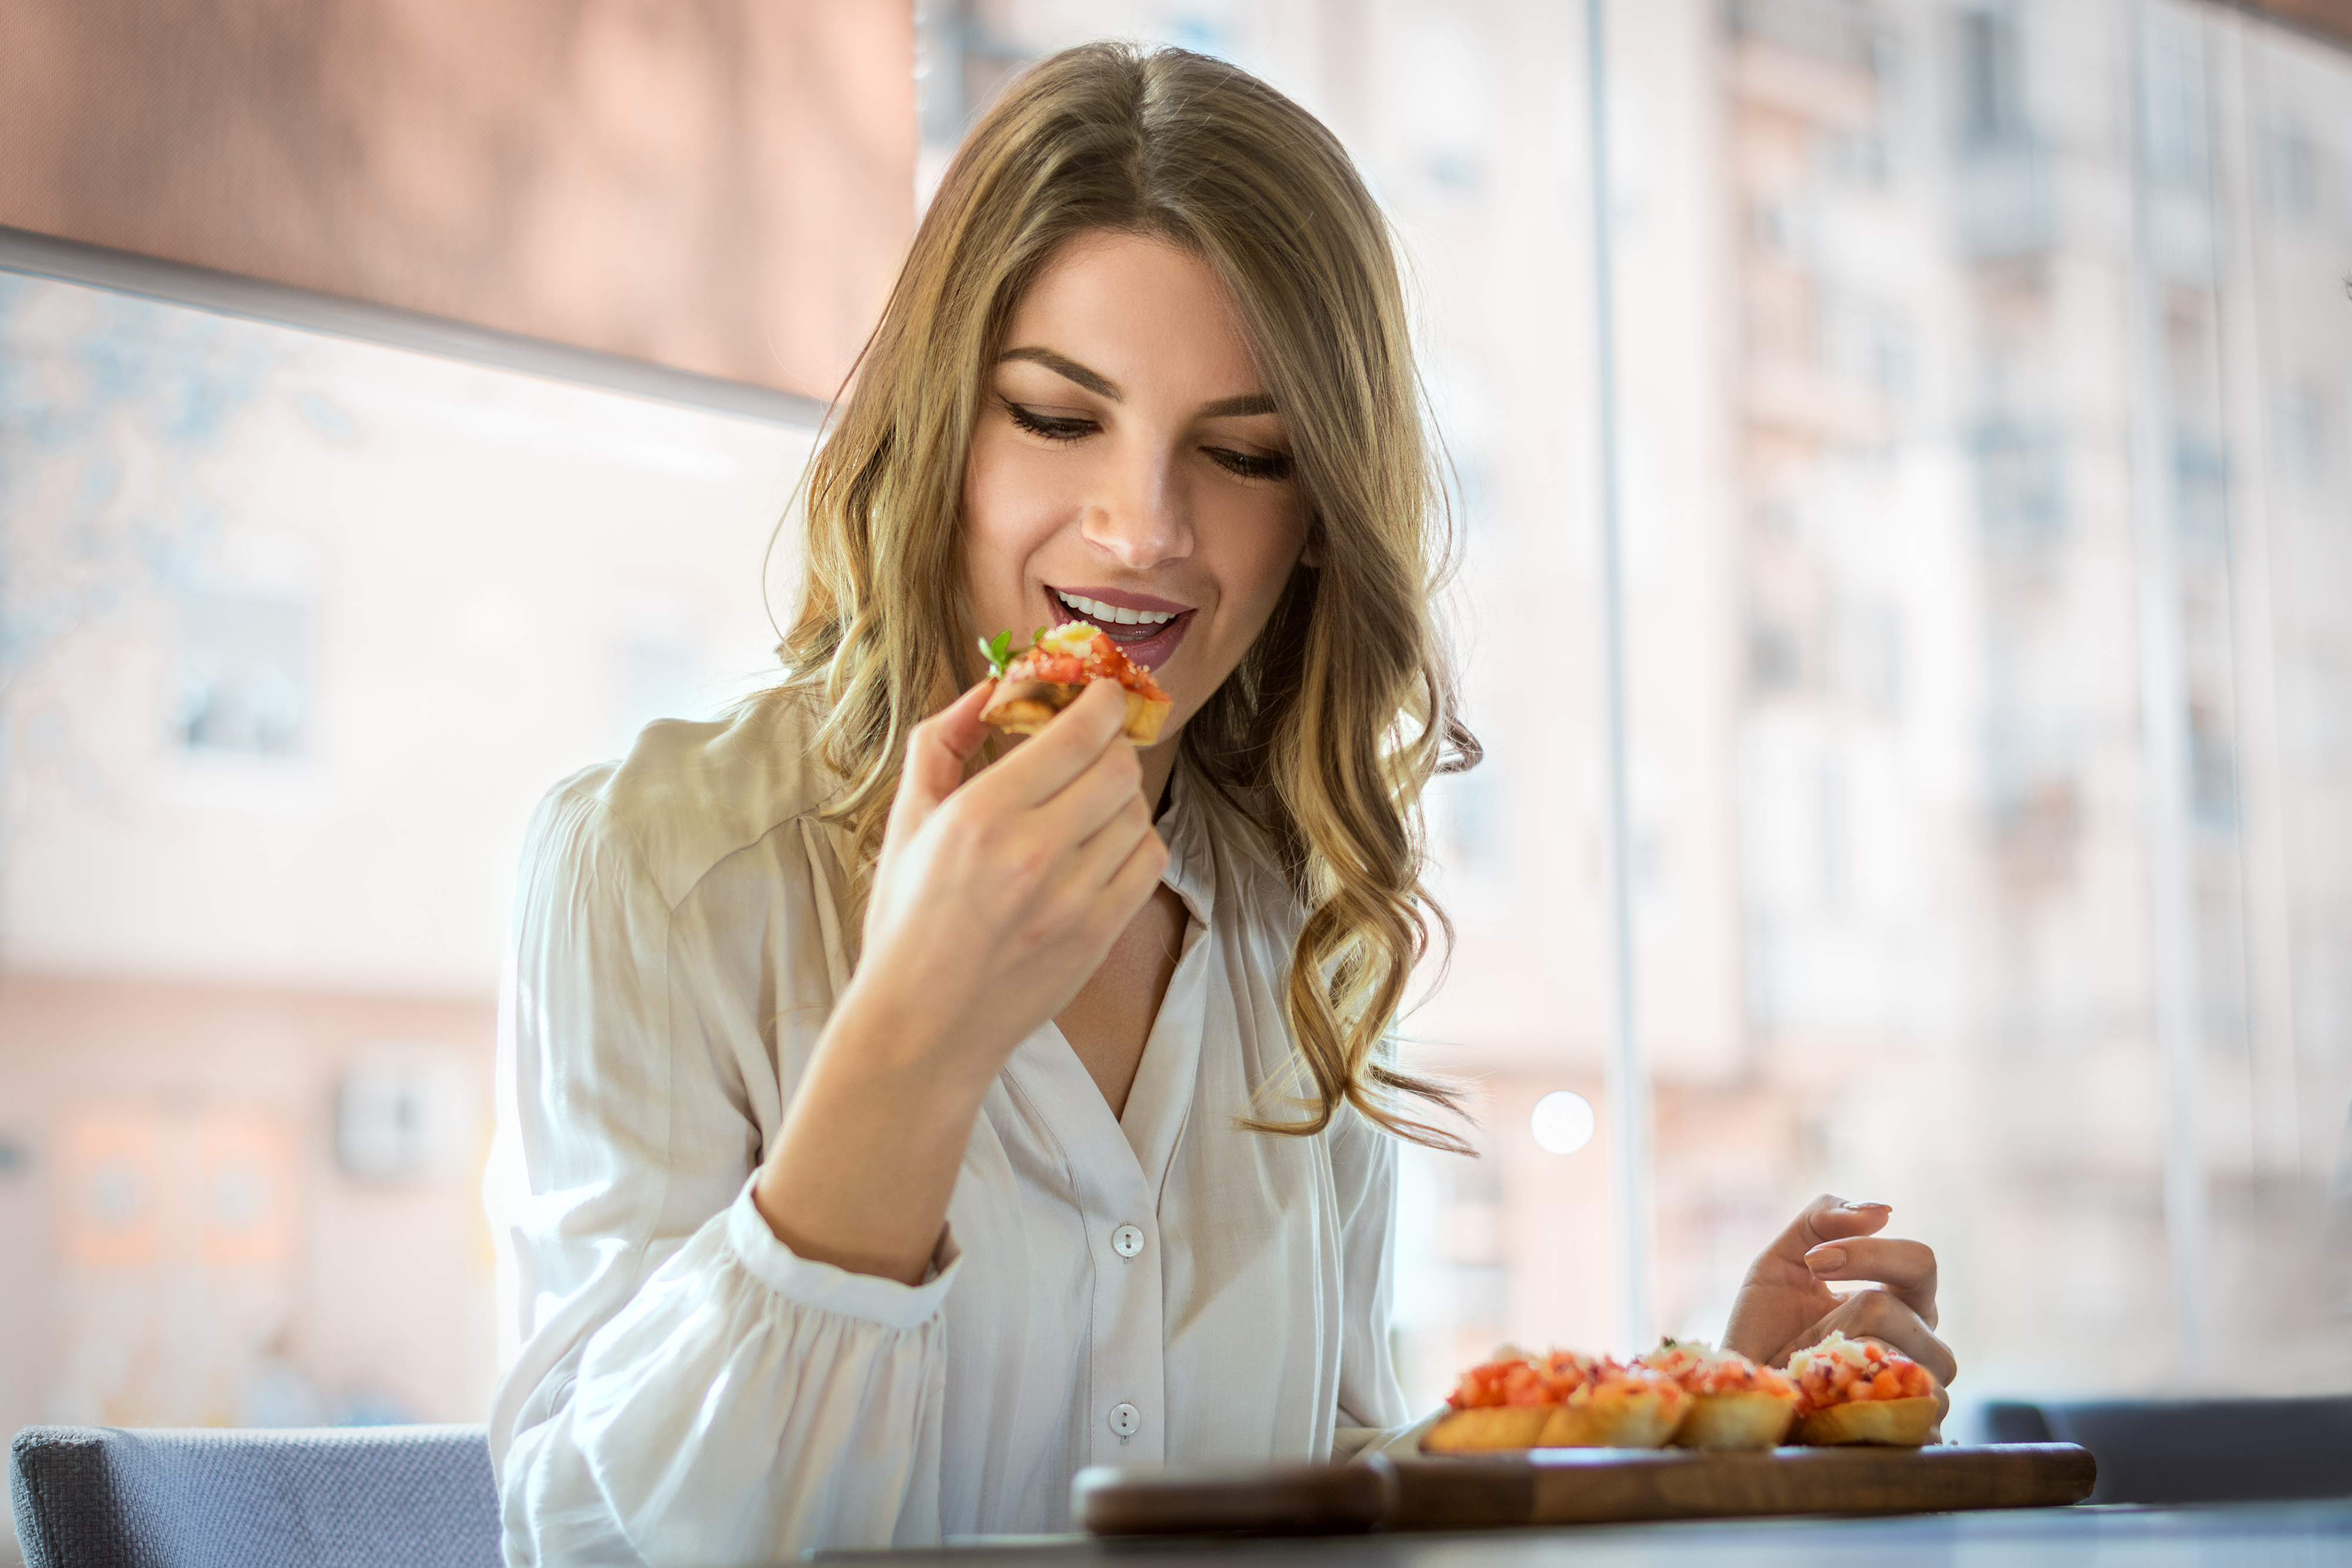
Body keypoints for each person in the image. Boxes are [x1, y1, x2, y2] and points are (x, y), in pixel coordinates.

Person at [485, 41, 1956, 1567]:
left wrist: (1705, 1411)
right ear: (942, 437)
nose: (1146, 530)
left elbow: (1327, 1489)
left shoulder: (1293, 910)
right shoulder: (651, 873)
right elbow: (596, 1543)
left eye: (1244, 451)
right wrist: (911, 1038)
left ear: (1319, 513)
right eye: (1059, 417)